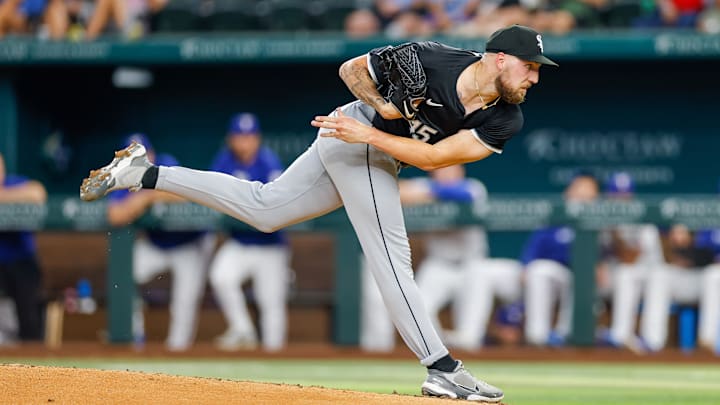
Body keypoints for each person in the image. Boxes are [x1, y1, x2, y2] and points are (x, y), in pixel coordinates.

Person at [80, 24, 558, 402]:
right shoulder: (433, 57)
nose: (535, 77)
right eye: (529, 66)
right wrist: (378, 108)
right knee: (391, 257)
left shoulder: (505, 117)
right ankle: (442, 369)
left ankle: (143, 174)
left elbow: (435, 159)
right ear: (499, 58)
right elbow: (352, 69)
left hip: (369, 144)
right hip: (354, 131)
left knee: (264, 209)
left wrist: (375, 132)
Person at [361, 164, 524, 352]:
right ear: (432, 172)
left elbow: (462, 194)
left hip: (471, 264)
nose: (445, 173)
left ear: (460, 171)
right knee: (420, 304)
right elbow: (397, 191)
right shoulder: (425, 185)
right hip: (438, 265)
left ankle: (470, 345)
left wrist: (425, 195)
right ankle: (438, 351)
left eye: (450, 169)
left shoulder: (473, 187)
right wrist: (421, 192)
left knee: (473, 311)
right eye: (440, 169)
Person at [107, 133, 213, 352]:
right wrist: (136, 201)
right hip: (157, 245)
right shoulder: (121, 177)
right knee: (125, 272)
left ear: (152, 155)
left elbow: (185, 195)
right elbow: (115, 215)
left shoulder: (166, 164)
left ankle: (178, 351)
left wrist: (145, 197)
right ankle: (133, 338)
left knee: (184, 299)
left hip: (189, 243)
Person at [208, 113, 291, 353]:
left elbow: (279, 204)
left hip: (271, 246)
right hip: (240, 242)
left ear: (257, 139)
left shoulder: (268, 161)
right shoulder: (224, 160)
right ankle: (243, 330)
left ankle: (275, 359)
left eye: (249, 137)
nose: (244, 142)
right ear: (231, 139)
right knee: (221, 276)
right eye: (239, 137)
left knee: (271, 303)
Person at [523, 172, 599, 346]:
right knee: (538, 270)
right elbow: (534, 247)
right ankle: (537, 337)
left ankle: (564, 335)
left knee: (582, 278)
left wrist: (600, 264)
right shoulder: (555, 216)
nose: (582, 195)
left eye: (588, 190)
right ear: (568, 192)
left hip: (580, 276)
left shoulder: (601, 217)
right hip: (554, 271)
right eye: (579, 188)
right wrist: (525, 265)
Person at [595, 172, 664, 351]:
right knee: (621, 275)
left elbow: (631, 257)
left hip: (643, 275)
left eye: (625, 195)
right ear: (608, 195)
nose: (621, 199)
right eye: (616, 195)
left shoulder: (643, 220)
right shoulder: (597, 216)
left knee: (633, 275)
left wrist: (616, 237)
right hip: (608, 276)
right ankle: (614, 335)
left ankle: (649, 341)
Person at [637, 223, 714, 352]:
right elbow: (667, 248)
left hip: (707, 277)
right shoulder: (676, 211)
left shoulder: (708, 217)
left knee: (714, 275)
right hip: (682, 277)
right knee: (659, 274)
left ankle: (708, 342)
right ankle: (652, 342)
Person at [0, 152, 47, 343]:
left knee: (29, 314)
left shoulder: (14, 183)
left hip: (21, 262)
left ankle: (32, 356)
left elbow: (38, 193)